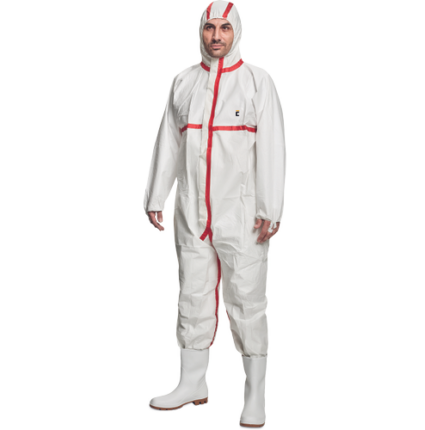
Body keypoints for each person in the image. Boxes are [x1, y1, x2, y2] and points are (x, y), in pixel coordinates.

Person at [143, 1, 286, 429]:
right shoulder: (183, 81)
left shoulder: (257, 81)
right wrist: (156, 196)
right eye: (210, 28)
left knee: (246, 299)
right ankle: (192, 382)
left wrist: (270, 206)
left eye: (224, 28)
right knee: (192, 294)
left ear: (236, 31)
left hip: (241, 212)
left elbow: (272, 146)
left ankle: (255, 395)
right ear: (200, 31)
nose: (216, 36)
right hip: (192, 211)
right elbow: (168, 141)